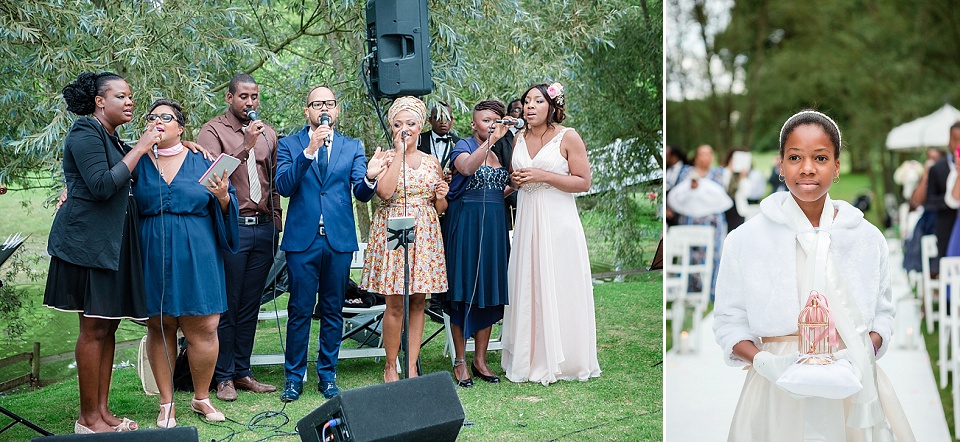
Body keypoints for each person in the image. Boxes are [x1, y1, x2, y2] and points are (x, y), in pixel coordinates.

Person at [712, 110, 914, 441]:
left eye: (820, 158)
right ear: (781, 165)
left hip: (853, 380)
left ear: (837, 166)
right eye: (795, 157)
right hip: (776, 388)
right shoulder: (746, 240)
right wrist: (764, 362)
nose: (807, 168)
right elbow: (728, 320)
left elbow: (882, 315)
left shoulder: (865, 237)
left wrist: (859, 353)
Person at [43, 71, 160, 434]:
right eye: (121, 96)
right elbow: (101, 185)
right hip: (87, 245)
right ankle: (87, 418)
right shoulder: (84, 132)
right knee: (93, 328)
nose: (130, 102)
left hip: (113, 244)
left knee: (108, 326)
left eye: (131, 96)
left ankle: (103, 412)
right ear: (99, 102)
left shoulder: (111, 137)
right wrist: (141, 147)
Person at [275, 86, 387, 402]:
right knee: (299, 310)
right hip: (303, 241)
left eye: (329, 103)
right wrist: (308, 151)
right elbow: (284, 186)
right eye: (317, 104)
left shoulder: (352, 147)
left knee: (333, 310)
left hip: (338, 241)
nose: (324, 108)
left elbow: (361, 193)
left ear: (336, 110)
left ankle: (328, 376)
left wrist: (370, 177)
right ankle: (293, 378)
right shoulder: (289, 145)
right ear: (307, 111)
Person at [133, 98, 240, 428]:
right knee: (160, 326)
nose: (157, 121)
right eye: (152, 117)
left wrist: (223, 197)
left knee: (204, 327)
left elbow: (226, 206)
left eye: (166, 117)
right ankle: (166, 403)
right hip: (152, 253)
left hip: (198, 254)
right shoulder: (136, 160)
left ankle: (201, 397)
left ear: (181, 128)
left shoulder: (201, 160)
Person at [501, 82, 601, 385]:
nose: (530, 106)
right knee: (528, 281)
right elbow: (516, 179)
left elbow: (583, 182)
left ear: (552, 106)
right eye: (527, 101)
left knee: (559, 281)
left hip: (557, 219)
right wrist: (514, 182)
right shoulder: (518, 137)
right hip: (527, 218)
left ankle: (565, 358)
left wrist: (543, 175)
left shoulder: (568, 137)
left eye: (538, 101)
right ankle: (530, 356)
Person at [197, 73, 281, 402]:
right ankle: (223, 377)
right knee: (228, 305)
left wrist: (276, 222)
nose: (250, 102)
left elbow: (272, 182)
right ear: (229, 98)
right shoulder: (212, 131)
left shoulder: (268, 133)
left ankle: (243, 372)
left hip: (263, 228)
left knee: (250, 305)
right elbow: (211, 178)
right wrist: (245, 145)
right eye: (243, 96)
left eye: (254, 96)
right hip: (232, 226)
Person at [361, 96, 449, 382]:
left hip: (424, 235)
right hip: (394, 230)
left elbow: (440, 208)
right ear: (391, 127)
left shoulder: (432, 162)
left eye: (410, 123)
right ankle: (390, 365)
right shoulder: (385, 159)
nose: (404, 129)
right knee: (396, 302)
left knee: (419, 301)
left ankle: (411, 364)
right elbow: (385, 193)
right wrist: (398, 152)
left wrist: (442, 197)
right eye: (398, 124)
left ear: (420, 126)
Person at [443, 99, 513, 387]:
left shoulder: (500, 153)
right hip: (466, 225)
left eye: (496, 121)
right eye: (486, 120)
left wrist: (516, 183)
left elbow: (497, 188)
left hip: (495, 226)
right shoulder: (463, 146)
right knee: (463, 290)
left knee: (489, 289)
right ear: (474, 124)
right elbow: (467, 169)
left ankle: (480, 360)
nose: (492, 126)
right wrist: (491, 140)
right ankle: (460, 361)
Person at [668, 144, 730, 298]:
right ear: (696, 157)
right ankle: (688, 289)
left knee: (713, 255)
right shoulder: (686, 173)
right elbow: (676, 194)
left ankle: (711, 291)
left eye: (709, 154)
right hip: (689, 220)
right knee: (689, 255)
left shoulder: (717, 173)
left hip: (712, 222)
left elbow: (724, 196)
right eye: (703, 154)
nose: (706, 157)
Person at [418, 100, 461, 174]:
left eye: (447, 118)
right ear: (430, 120)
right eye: (438, 117)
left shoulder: (458, 143)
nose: (443, 122)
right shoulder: (419, 140)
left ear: (452, 120)